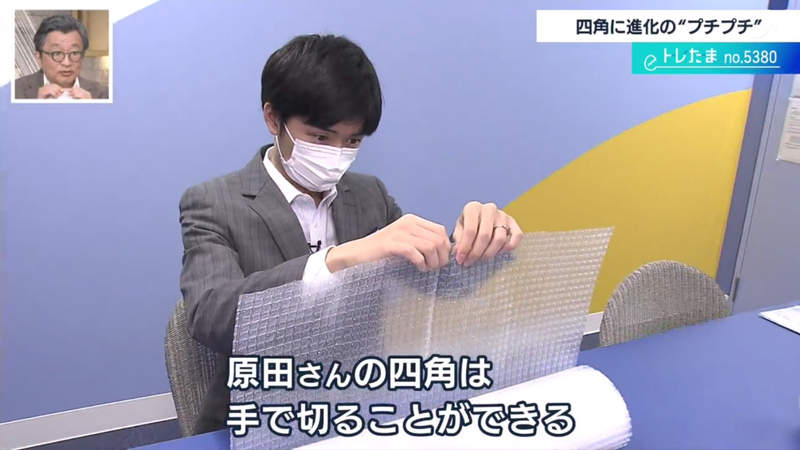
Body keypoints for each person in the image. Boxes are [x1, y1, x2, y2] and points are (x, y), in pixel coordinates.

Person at [178, 34, 523, 433]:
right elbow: (210, 316)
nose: (336, 154)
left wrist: (482, 243)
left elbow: (438, 284)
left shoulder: (369, 194)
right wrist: (335, 261)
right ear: (273, 119)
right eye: (320, 138)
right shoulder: (213, 202)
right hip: (261, 415)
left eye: (353, 141)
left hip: (362, 405)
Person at [14, 14, 108, 100]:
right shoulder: (15, 91)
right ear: (39, 58)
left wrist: (93, 108)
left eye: (74, 53)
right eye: (57, 53)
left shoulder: (103, 94)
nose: (67, 63)